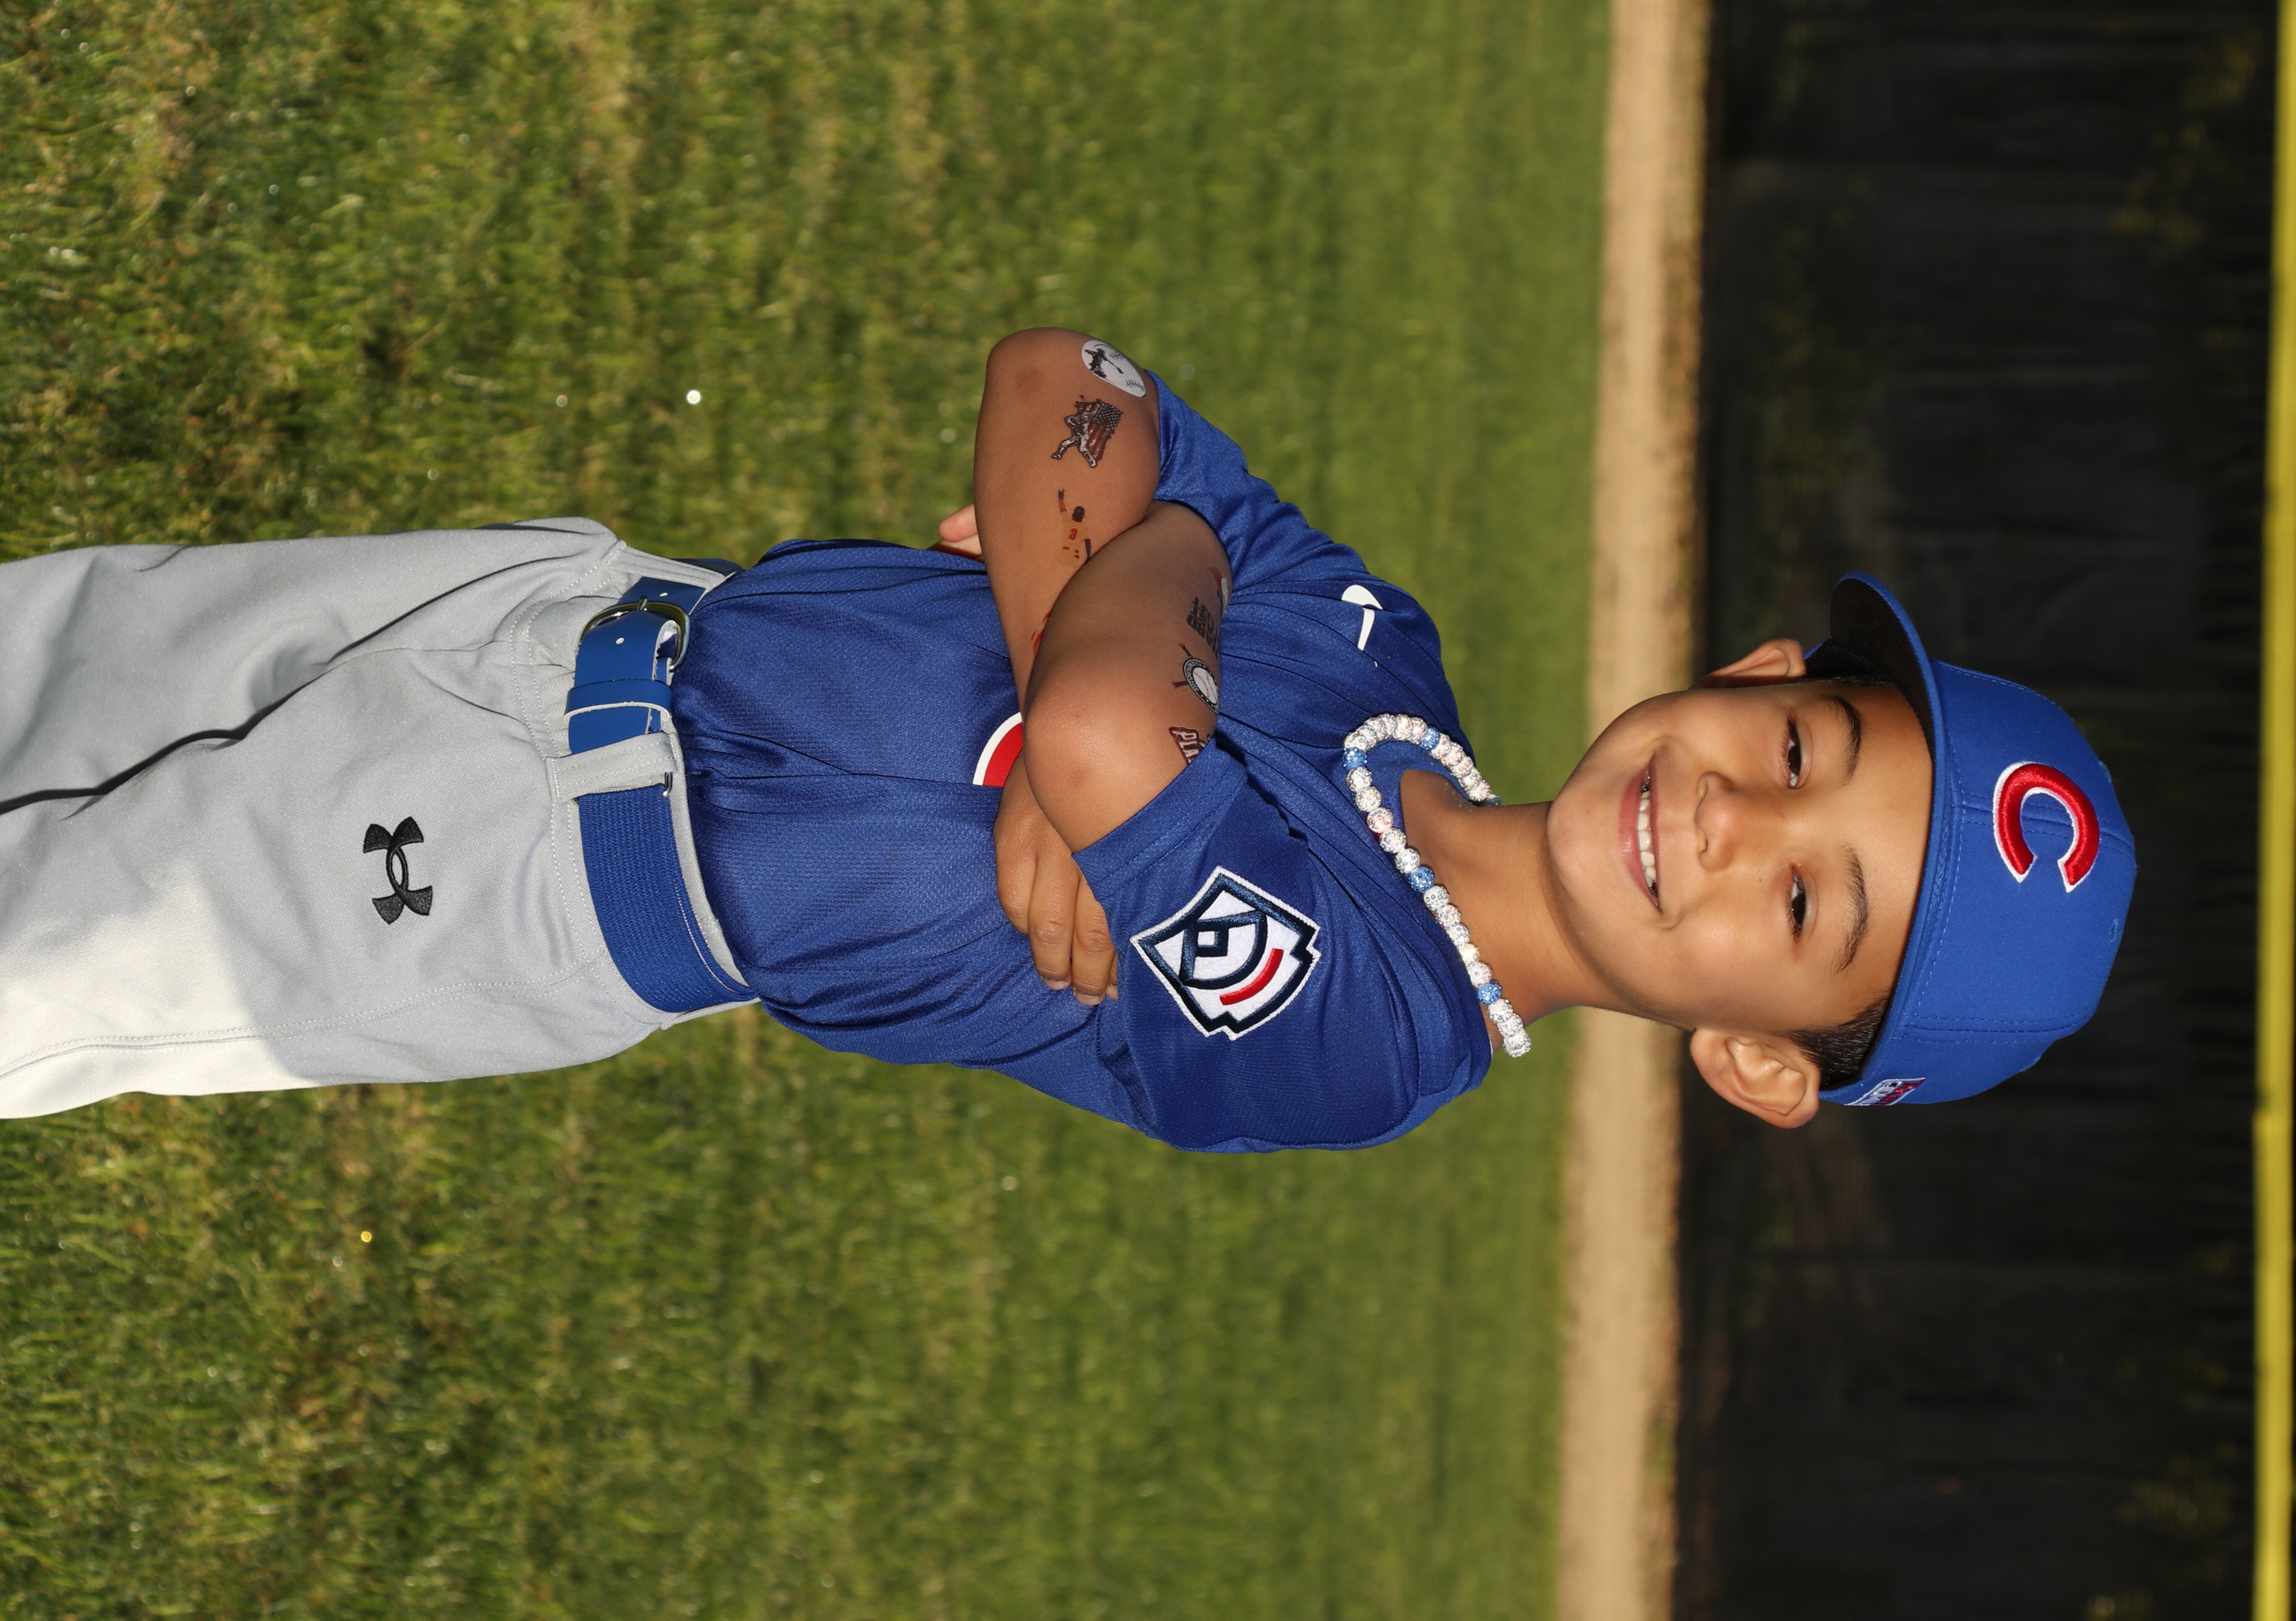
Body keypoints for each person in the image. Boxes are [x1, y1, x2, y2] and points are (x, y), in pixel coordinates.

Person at [0, 330, 2135, 1143]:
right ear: (1756, 674)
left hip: (529, 885)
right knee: (50, 654)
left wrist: (1136, 588)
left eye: (1807, 915)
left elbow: (1120, 720)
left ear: (1759, 1061)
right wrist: (1104, 606)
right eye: (1802, 757)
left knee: (48, 954)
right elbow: (1068, 381)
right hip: (566, 606)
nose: (1737, 823)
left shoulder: (1369, 1038)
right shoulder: (1387, 656)